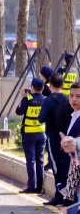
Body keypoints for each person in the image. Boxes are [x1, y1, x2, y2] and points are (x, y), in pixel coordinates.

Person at [39, 73, 70, 206]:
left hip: (53, 136)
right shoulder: (67, 98)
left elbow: (41, 118)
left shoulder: (48, 100)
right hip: (68, 136)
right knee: (66, 165)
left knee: (56, 165)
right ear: (63, 85)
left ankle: (59, 194)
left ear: (49, 85)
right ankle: (67, 194)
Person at [15, 78, 47, 194]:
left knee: (31, 160)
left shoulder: (28, 99)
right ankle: (39, 187)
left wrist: (23, 97)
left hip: (29, 133)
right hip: (41, 133)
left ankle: (31, 186)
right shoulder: (45, 100)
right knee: (40, 160)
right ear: (43, 88)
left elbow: (18, 111)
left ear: (32, 88)